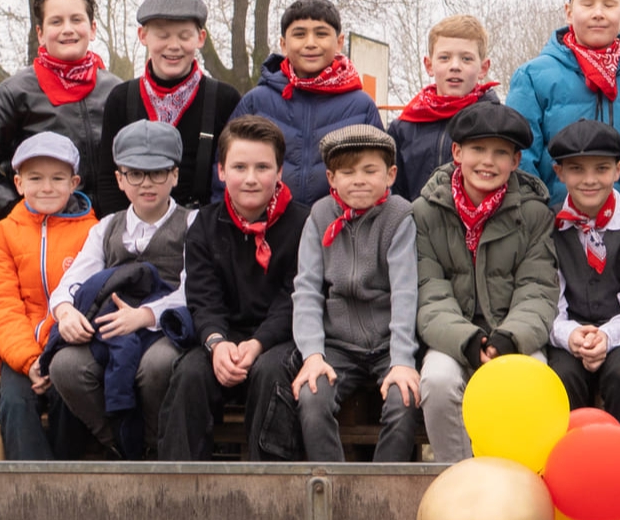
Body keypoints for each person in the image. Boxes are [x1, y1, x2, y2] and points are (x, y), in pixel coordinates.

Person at [414, 100, 559, 463]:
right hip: (454, 338)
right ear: (457, 153)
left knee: (534, 379)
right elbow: (429, 292)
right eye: (477, 149)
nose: (488, 162)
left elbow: (537, 289)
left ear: (516, 161)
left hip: (512, 335)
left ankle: (520, 476)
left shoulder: (534, 215)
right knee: (438, 381)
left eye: (501, 153)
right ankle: (458, 474)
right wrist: (466, 340)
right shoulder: (425, 213)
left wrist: (510, 338)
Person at [157, 116, 306, 461]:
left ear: (280, 172)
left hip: (280, 338)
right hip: (224, 335)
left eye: (262, 167)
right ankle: (178, 480)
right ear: (222, 171)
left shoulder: (303, 223)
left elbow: (294, 298)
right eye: (239, 167)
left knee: (271, 373)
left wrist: (257, 343)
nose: (251, 178)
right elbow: (203, 297)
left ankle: (266, 480)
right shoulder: (204, 225)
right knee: (190, 373)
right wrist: (216, 343)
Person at [46, 120, 191, 455]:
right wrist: (66, 312)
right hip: (109, 329)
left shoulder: (192, 224)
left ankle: (155, 446)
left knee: (156, 366)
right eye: (135, 174)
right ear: (119, 179)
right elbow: (74, 279)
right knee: (65, 367)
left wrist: (144, 316)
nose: (146, 183)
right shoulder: (106, 227)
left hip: (165, 328)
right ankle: (120, 445)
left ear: (174, 176)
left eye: (157, 173)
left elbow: (194, 289)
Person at [288, 124, 422, 464]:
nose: (358, 180)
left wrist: (402, 360)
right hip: (339, 345)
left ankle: (383, 486)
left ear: (390, 175)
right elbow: (307, 290)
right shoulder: (319, 216)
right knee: (312, 396)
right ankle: (332, 485)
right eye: (347, 172)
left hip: (388, 344)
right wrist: (313, 354)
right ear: (331, 178)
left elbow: (405, 292)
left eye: (370, 170)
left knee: (404, 399)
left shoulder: (399, 216)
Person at [0, 0, 121, 219]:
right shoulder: (14, 94)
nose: (68, 29)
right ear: (41, 33)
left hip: (114, 232)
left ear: (92, 28)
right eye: (56, 21)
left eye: (76, 19)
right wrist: (19, 214)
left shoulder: (118, 92)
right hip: (47, 234)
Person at [0, 131, 97, 459]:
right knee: (16, 404)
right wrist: (30, 361)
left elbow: (91, 297)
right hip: (19, 350)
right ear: (18, 183)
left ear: (74, 183)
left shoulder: (94, 232)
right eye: (35, 178)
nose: (47, 187)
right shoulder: (1, 235)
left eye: (57, 178)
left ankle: (67, 479)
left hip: (69, 347)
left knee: (69, 399)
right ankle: (29, 483)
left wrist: (59, 350)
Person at [506, 0, 620, 203]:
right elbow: (521, 156)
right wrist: (536, 213)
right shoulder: (532, 76)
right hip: (552, 217)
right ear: (569, 12)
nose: (598, 13)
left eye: (608, 5)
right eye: (587, 4)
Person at [87, 0, 240, 218]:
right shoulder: (121, 99)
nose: (173, 45)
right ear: (143, 36)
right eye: (162, 35)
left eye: (184, 36)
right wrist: (122, 231)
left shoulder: (224, 99)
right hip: (134, 229)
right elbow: (109, 178)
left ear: (200, 38)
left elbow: (232, 176)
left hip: (205, 227)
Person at [541, 121, 620, 426]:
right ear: (559, 172)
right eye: (576, 169)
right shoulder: (549, 225)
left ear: (618, 170)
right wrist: (570, 336)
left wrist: (606, 336)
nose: (590, 180)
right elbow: (547, 296)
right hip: (567, 329)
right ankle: (569, 453)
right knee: (560, 376)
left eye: (601, 169)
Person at [233, 0, 382, 210]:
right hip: (268, 223)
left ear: (339, 42)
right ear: (283, 44)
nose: (310, 43)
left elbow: (380, 174)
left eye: (321, 34)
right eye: (299, 34)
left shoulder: (361, 107)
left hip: (339, 224)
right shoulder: (256, 102)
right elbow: (226, 167)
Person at [392, 15, 497, 205]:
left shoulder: (496, 124)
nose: (455, 66)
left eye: (466, 59)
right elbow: (393, 192)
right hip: (416, 221)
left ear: (483, 68)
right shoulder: (404, 128)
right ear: (429, 65)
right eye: (444, 58)